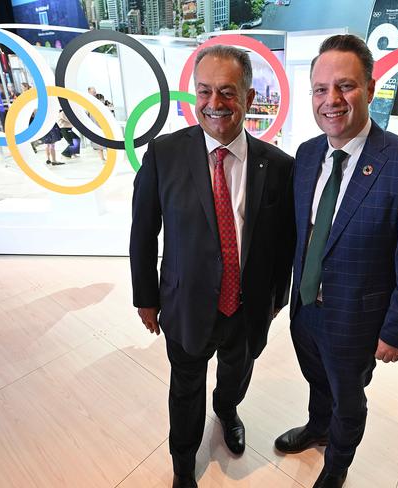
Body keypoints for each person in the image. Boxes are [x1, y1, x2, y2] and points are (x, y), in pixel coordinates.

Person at [274, 34, 398, 488]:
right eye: (320, 89)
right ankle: (317, 427)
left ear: (369, 87)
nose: (331, 100)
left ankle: (336, 467)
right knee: (316, 379)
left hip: (358, 320)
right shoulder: (308, 155)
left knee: (349, 398)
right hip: (306, 307)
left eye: (345, 86)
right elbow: (302, 235)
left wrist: (396, 331)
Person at [130, 45, 295, 488]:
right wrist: (146, 298)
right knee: (185, 391)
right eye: (204, 91)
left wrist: (275, 301)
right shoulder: (163, 155)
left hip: (247, 307)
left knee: (237, 372)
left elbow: (284, 245)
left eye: (227, 92)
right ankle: (183, 462)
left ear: (249, 97)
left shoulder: (279, 166)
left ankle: (227, 411)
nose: (214, 103)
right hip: (185, 305)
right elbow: (143, 233)